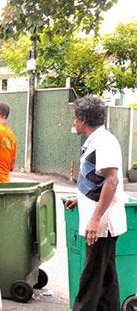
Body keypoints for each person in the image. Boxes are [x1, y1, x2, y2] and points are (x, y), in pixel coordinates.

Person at [64, 95, 127, 311]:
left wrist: (96, 218)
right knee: (107, 278)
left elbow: (112, 179)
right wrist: (79, 199)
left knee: (91, 278)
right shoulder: (96, 141)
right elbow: (98, 179)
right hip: (99, 220)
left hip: (101, 225)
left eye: (75, 118)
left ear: (83, 118)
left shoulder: (103, 141)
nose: (73, 122)